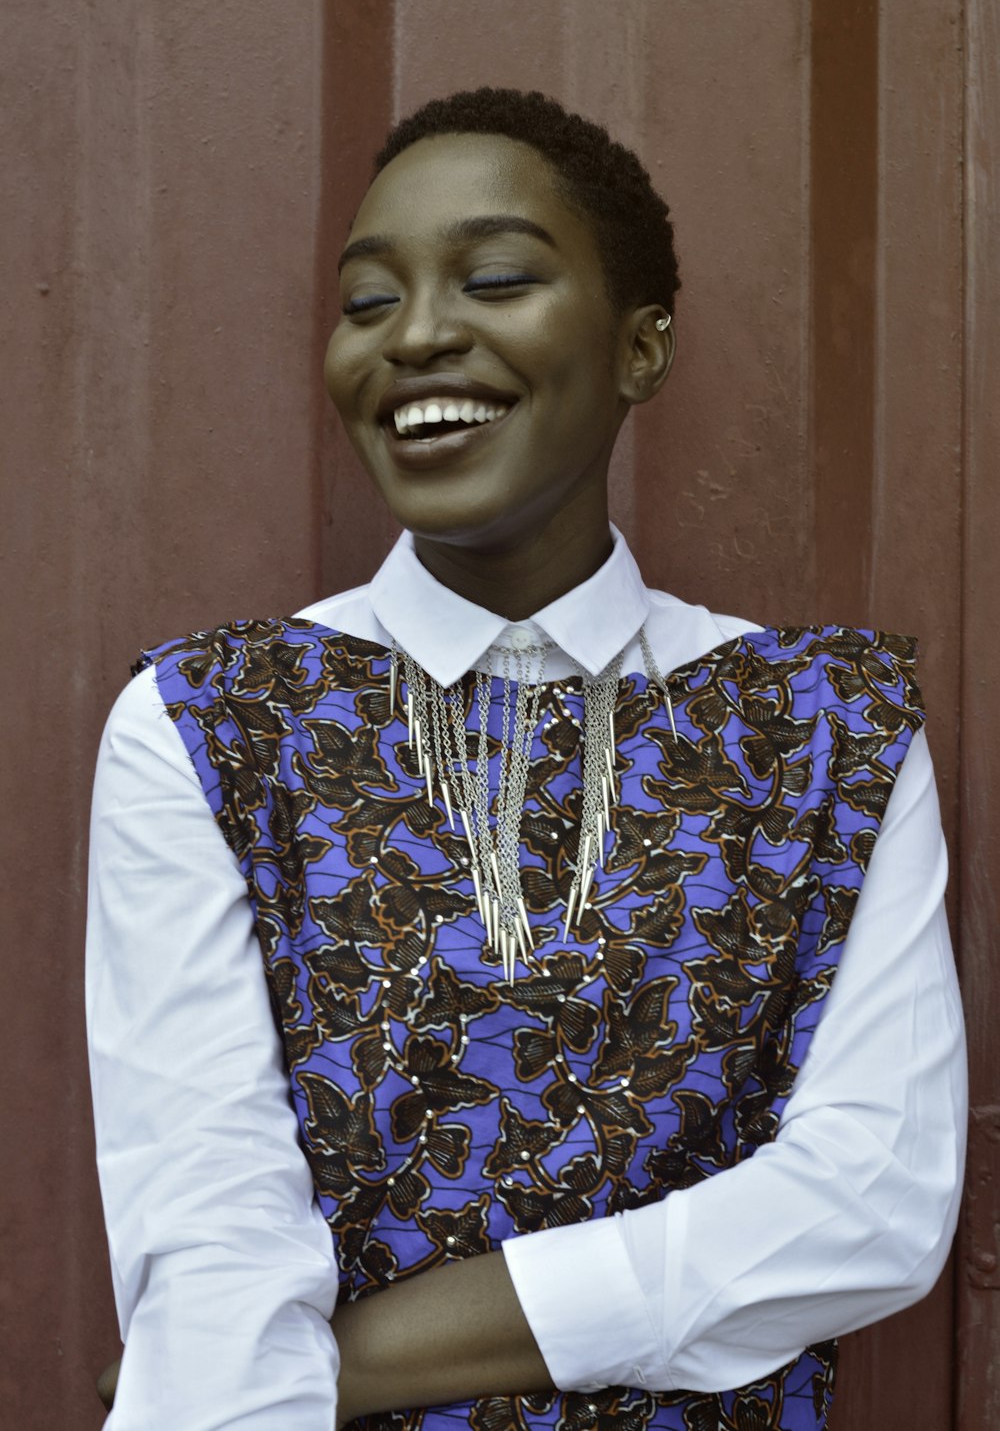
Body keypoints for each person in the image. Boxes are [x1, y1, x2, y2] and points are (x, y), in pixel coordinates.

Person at [86, 87, 966, 1430]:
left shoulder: (827, 730)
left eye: (493, 278)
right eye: (369, 302)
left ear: (642, 347)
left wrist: (354, 1360)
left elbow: (872, 1202)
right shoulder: (208, 725)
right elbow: (209, 1228)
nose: (420, 335)